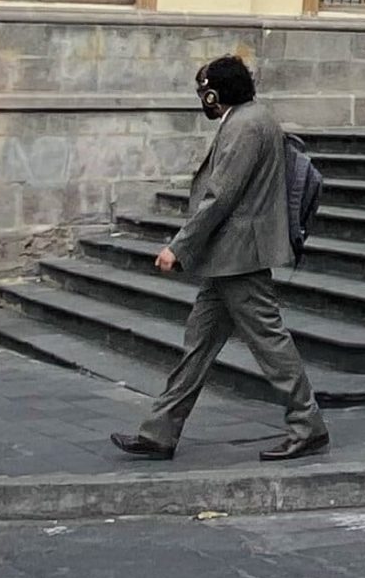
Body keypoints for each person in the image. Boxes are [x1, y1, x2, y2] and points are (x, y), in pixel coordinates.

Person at [112, 55, 328, 464]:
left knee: (269, 341)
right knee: (198, 345)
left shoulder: (246, 125)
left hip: (239, 257)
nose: (202, 99)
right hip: (229, 258)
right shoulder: (252, 117)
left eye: (203, 91)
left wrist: (179, 246)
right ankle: (159, 432)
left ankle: (307, 425)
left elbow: (220, 197)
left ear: (215, 91)